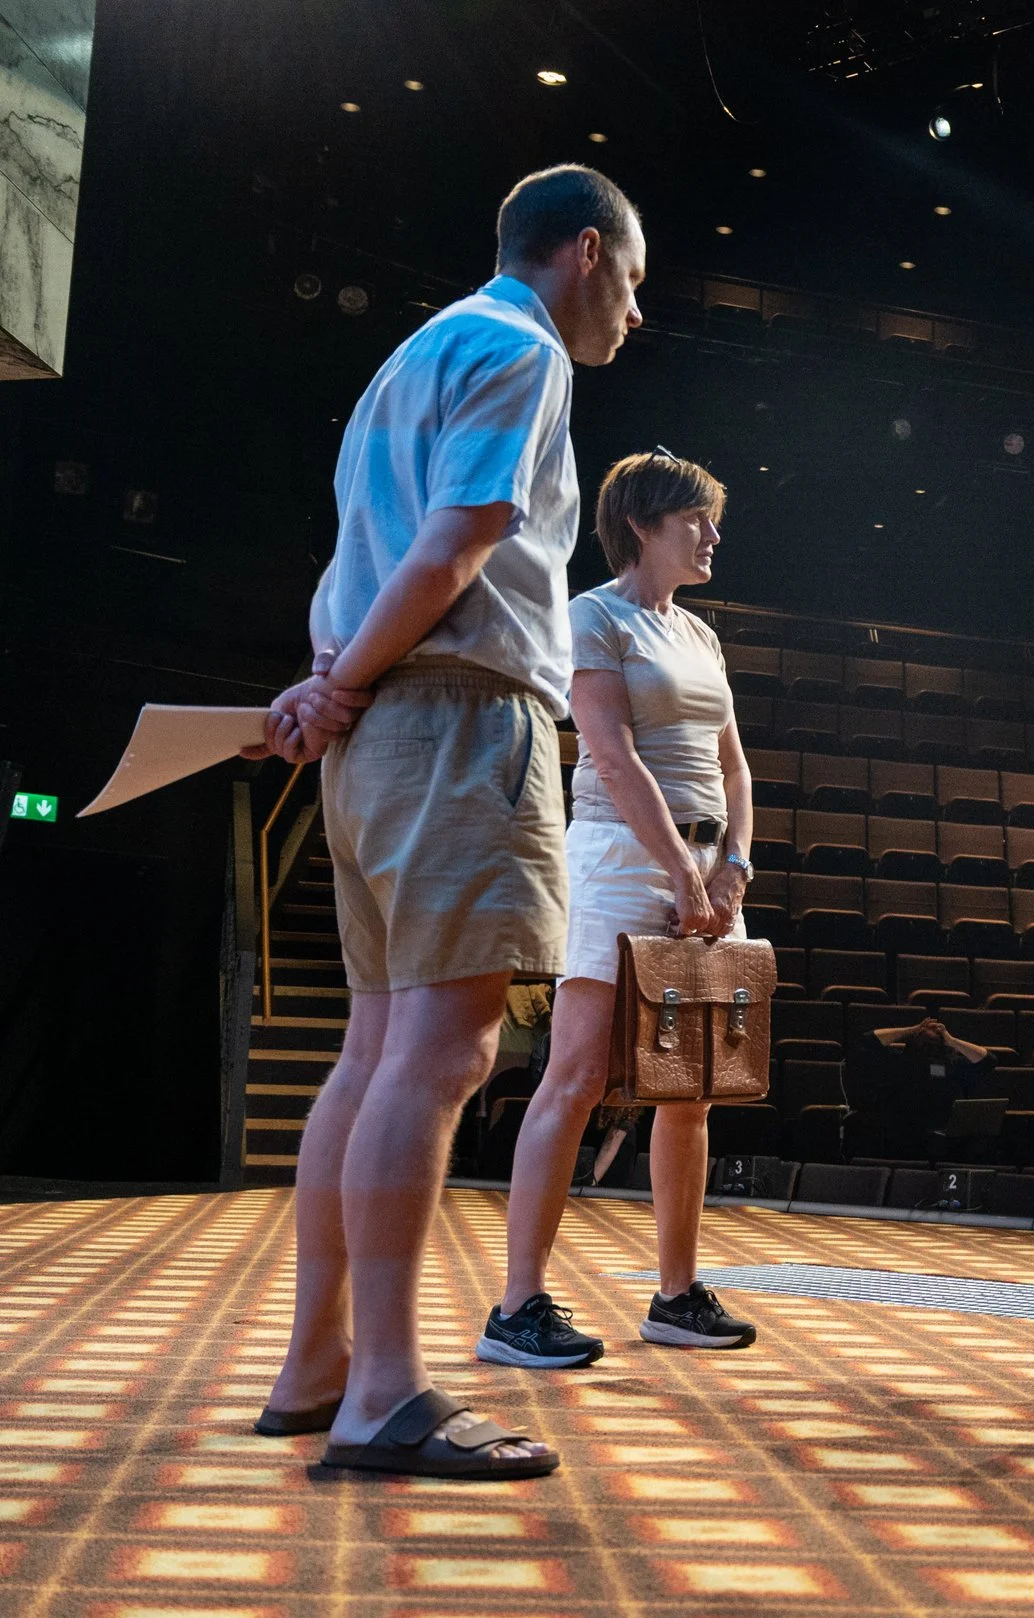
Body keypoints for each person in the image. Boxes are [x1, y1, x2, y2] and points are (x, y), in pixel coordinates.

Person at [250, 164, 644, 1479]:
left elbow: (359, 553)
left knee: (372, 1052)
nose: (633, 313)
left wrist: (329, 682)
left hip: (375, 730)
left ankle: (317, 1367)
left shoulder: (407, 355)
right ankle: (381, 1394)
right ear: (585, 253)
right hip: (459, 715)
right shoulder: (524, 350)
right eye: (632, 281)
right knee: (442, 1054)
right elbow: (462, 540)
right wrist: (350, 678)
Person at [480, 451, 761, 1367]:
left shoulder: (702, 636)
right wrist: (680, 869)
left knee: (693, 1089)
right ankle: (518, 1303)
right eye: (698, 521)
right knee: (579, 1077)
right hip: (619, 859)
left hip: (708, 872)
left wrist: (732, 868)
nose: (714, 536)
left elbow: (734, 767)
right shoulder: (592, 617)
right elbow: (609, 754)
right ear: (642, 524)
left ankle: (675, 1295)